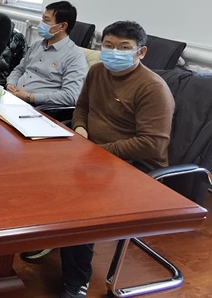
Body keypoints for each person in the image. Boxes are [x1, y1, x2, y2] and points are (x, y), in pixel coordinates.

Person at [58, 20, 175, 298]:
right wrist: (80, 129)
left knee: (79, 204)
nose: (114, 52)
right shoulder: (98, 71)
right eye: (108, 46)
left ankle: (77, 280)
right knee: (40, 173)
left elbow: (153, 144)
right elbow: (82, 107)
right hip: (93, 153)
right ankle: (53, 234)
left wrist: (98, 152)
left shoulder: (152, 88)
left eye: (124, 48)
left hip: (135, 167)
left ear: (141, 52)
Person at [6, 1, 88, 110]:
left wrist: (30, 97)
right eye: (42, 19)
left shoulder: (75, 56)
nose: (41, 24)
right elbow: (19, 69)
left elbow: (70, 96)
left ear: (62, 26)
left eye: (46, 20)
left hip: (38, 109)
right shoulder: (36, 45)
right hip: (13, 99)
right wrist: (10, 84)